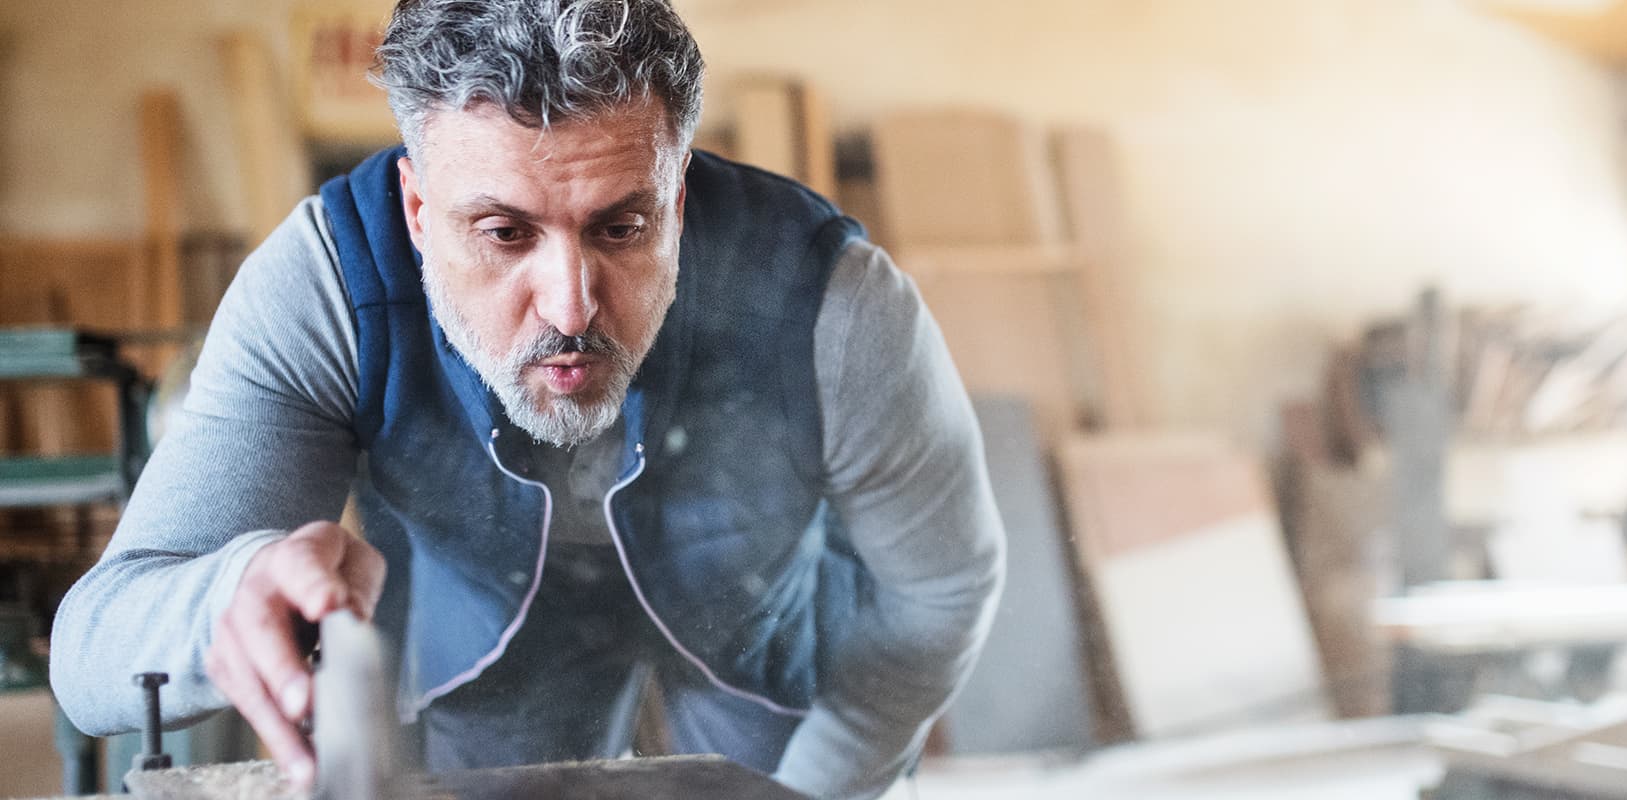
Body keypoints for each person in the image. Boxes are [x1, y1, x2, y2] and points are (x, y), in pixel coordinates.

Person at [48, 1, 1004, 798]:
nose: (572, 304)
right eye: (505, 233)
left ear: (678, 198)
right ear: (420, 213)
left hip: (758, 637)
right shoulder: (328, 288)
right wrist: (225, 591)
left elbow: (941, 586)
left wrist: (821, 786)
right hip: (482, 644)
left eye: (621, 226)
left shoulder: (833, 303)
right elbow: (92, 658)